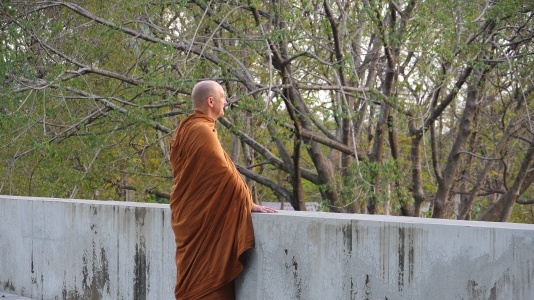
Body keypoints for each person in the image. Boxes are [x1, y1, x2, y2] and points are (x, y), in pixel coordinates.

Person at [169, 80, 277, 300]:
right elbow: (224, 173)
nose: (226, 101)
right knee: (208, 287)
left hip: (191, 217)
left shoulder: (185, 129)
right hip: (200, 223)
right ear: (211, 101)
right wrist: (247, 202)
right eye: (222, 97)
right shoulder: (201, 131)